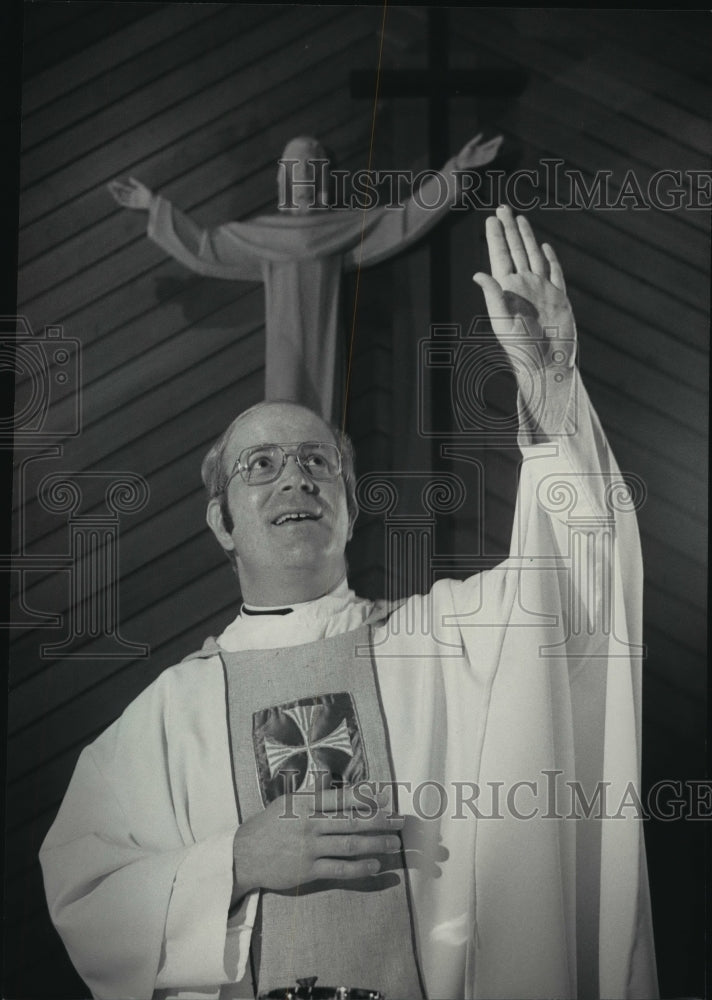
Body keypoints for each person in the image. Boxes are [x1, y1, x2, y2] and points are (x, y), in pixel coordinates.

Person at [40, 207, 658, 1000]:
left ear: (351, 503)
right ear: (221, 522)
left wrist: (548, 387)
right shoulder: (167, 720)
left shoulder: (447, 642)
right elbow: (86, 894)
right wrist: (232, 862)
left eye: (315, 461)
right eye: (259, 465)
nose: (293, 477)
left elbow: (582, 574)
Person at [107, 133, 502, 420]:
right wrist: (153, 206)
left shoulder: (344, 230)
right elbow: (205, 247)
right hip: (284, 353)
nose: (301, 180)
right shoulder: (262, 236)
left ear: (322, 181)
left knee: (322, 420)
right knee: (284, 419)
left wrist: (455, 172)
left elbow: (403, 220)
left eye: (310, 172)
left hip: (325, 345)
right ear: (282, 180)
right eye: (294, 172)